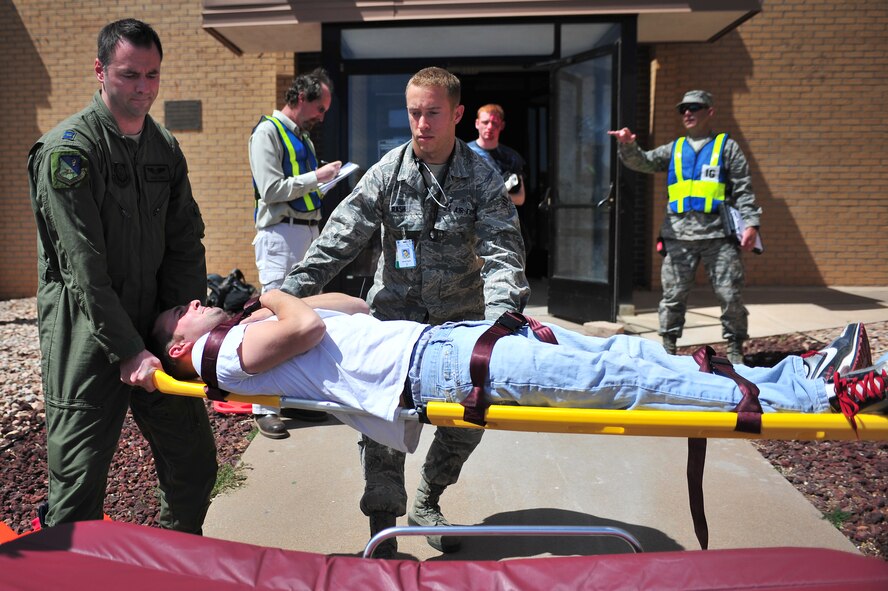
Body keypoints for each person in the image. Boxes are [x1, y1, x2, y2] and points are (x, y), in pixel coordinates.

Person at [153, 290, 888, 461]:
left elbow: (348, 303)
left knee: (622, 357)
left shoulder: (246, 331)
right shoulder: (223, 360)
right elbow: (308, 326)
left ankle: (799, 372)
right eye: (179, 315)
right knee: (629, 385)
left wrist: (266, 299)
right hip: (438, 368)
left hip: (447, 341)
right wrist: (269, 299)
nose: (193, 304)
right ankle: (823, 393)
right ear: (182, 348)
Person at [279, 67, 529, 558]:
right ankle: (383, 519)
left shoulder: (482, 178)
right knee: (382, 422)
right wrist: (282, 298)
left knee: (468, 418)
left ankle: (429, 501)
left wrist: (502, 322)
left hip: (458, 322)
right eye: (414, 112)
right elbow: (337, 241)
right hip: (393, 321)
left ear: (456, 114)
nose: (421, 124)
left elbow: (503, 252)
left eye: (432, 113)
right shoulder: (388, 172)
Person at [27, 19, 216, 533]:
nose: (143, 88)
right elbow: (82, 267)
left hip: (156, 324)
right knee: (78, 486)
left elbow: (184, 245)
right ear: (100, 71)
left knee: (194, 465)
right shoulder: (68, 152)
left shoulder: (163, 148)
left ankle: (173, 564)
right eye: (130, 74)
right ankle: (71, 576)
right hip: (87, 334)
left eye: (152, 75)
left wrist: (181, 328)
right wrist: (127, 349)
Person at [609, 90, 762, 364]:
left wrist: (751, 223)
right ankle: (668, 348)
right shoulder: (675, 149)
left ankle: (736, 350)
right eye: (683, 109)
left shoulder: (726, 147)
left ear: (710, 112)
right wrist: (629, 145)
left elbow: (744, 189)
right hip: (678, 236)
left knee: (730, 295)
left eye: (695, 107)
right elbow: (641, 162)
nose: (688, 113)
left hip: (719, 237)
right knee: (673, 296)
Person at [249, 68, 343, 438]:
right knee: (274, 317)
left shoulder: (301, 136)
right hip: (280, 234)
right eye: (319, 107)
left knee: (308, 315)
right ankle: (264, 407)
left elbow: (298, 189)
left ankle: (299, 402)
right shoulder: (266, 133)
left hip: (306, 231)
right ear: (300, 98)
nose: (321, 116)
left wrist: (322, 182)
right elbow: (271, 189)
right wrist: (317, 178)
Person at [467, 104, 527, 207]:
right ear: (477, 123)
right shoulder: (463, 153)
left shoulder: (512, 157)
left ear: (502, 125)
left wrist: (497, 197)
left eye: (494, 123)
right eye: (485, 122)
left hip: (501, 219)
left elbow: (520, 198)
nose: (489, 127)